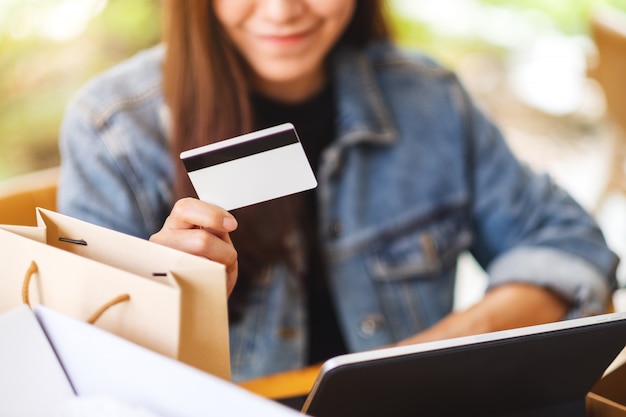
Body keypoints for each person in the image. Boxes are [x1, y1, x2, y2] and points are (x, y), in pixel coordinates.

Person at [58, 0, 618, 382]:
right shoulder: (113, 129)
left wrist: (429, 354)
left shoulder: (430, 99)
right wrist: (171, 296)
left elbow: (571, 246)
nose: (281, 11)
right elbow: (79, 362)